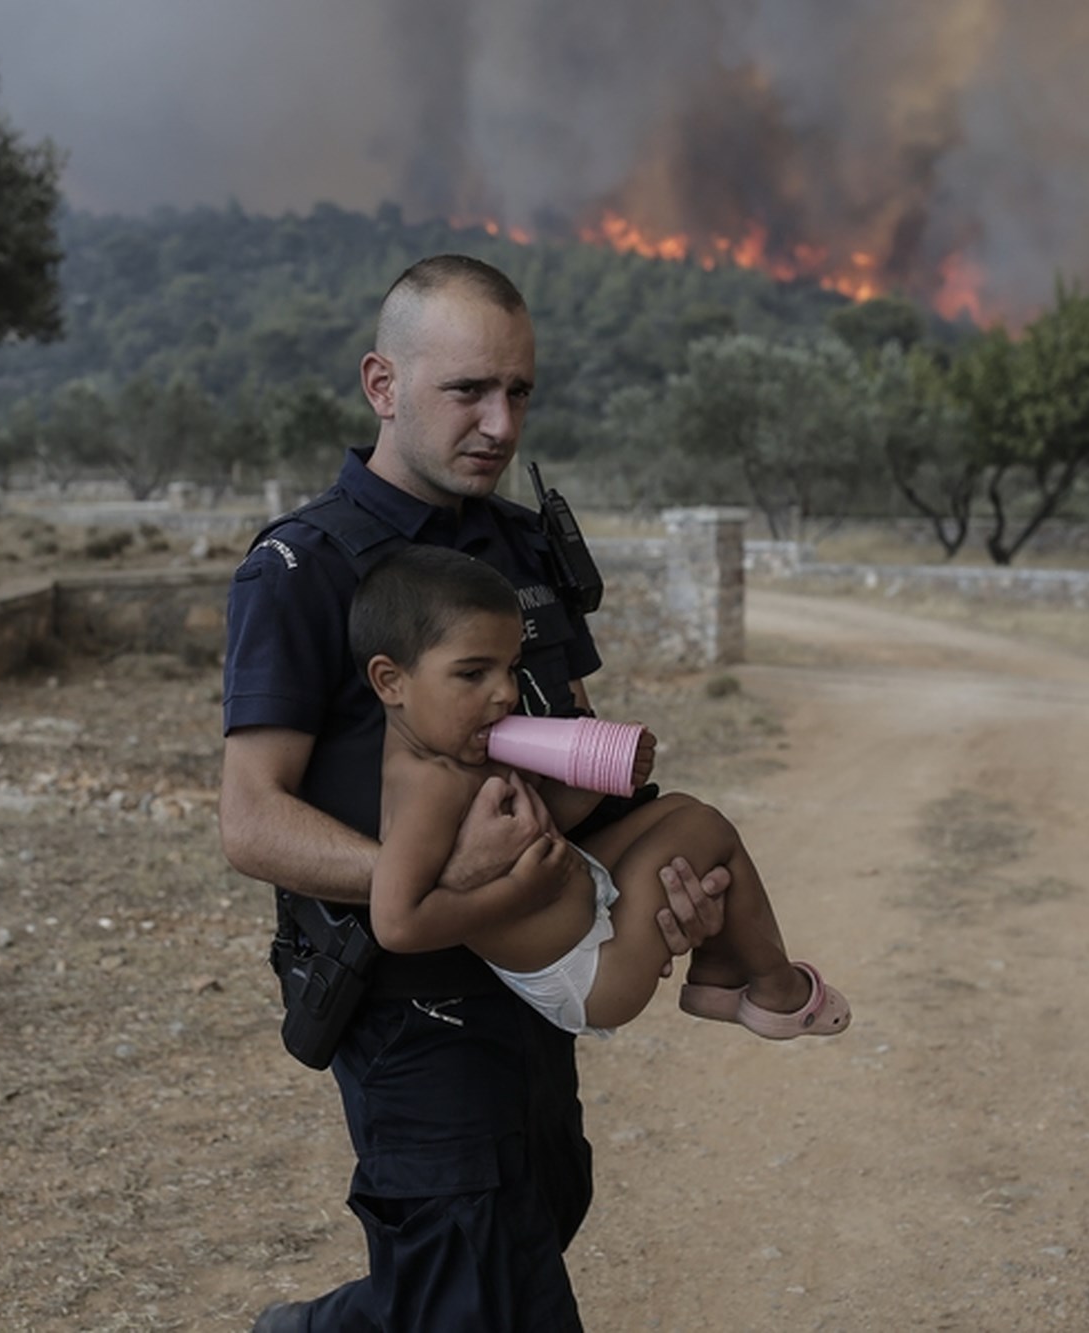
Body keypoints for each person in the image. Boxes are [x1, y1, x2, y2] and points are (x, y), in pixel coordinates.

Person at [220, 254, 732, 1332]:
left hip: (534, 969)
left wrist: (649, 890)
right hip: (408, 1001)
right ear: (383, 384)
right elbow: (250, 816)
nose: (500, 424)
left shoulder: (515, 542)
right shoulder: (303, 568)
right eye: (467, 391)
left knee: (531, 1220)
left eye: (519, 391)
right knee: (485, 1275)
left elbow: (574, 760)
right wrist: (426, 875)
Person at [353, 545, 851, 1040]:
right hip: (590, 971)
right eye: (472, 673)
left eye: (511, 668)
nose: (505, 692)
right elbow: (398, 924)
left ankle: (717, 970)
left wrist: (605, 776)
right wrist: (518, 892)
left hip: (582, 901)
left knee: (680, 810)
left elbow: (543, 826)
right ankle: (775, 986)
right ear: (390, 681)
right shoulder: (427, 783)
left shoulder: (459, 752)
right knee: (704, 828)